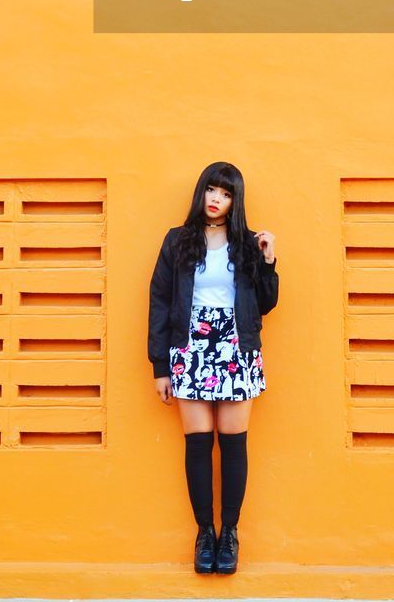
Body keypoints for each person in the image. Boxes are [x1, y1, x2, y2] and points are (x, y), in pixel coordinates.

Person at [147, 160, 279, 574]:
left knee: (234, 444)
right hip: (190, 348)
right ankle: (205, 534)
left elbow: (267, 303)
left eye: (225, 193)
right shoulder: (177, 241)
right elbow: (160, 302)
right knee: (199, 445)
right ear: (201, 192)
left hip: (237, 347)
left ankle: (231, 534)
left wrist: (269, 261)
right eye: (211, 190)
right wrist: (160, 366)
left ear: (234, 201)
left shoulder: (247, 243)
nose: (216, 199)